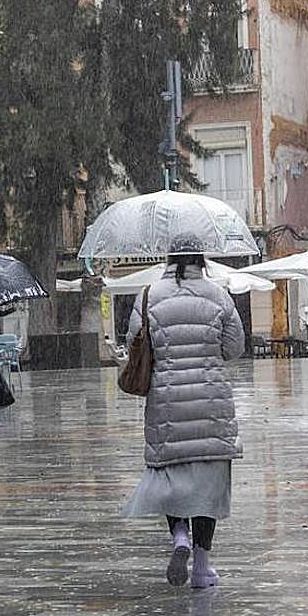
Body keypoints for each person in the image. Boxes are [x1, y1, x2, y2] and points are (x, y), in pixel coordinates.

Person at [122, 247, 246, 588]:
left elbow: (134, 342)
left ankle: (179, 535)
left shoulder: (148, 296)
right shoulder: (218, 295)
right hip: (210, 402)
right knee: (209, 485)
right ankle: (202, 566)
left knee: (171, 477)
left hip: (167, 401)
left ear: (169, 260)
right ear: (200, 260)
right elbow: (235, 348)